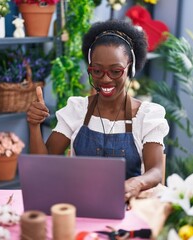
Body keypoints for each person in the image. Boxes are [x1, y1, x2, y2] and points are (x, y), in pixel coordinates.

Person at [27, 19, 169, 204]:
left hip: (128, 207)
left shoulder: (146, 116)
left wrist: (137, 183)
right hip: (80, 205)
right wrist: (33, 126)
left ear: (131, 69)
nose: (106, 79)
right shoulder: (77, 110)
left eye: (116, 71)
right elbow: (42, 165)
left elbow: (156, 171)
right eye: (97, 71)